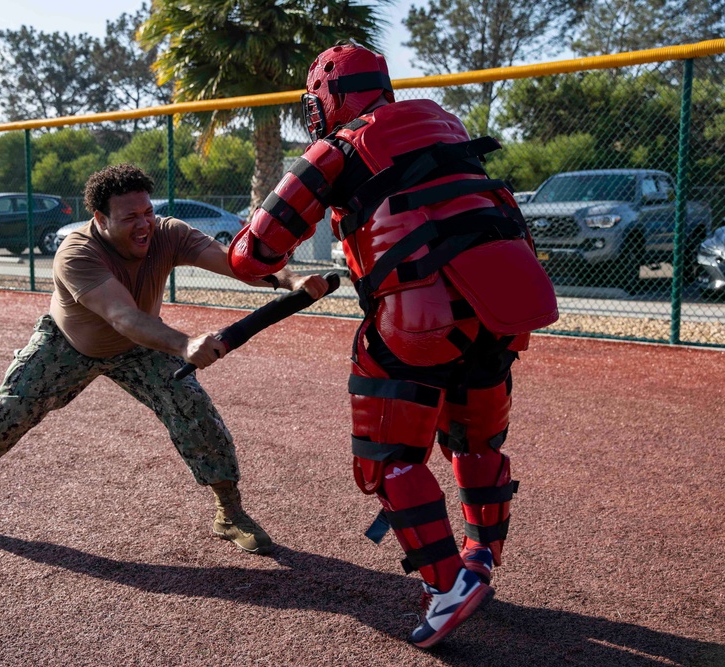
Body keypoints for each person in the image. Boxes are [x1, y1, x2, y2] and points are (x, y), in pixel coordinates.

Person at [228, 43, 558, 647]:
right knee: (475, 442)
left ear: (328, 95)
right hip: (498, 310)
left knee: (388, 458)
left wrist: (242, 236)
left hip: (419, 319)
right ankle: (480, 558)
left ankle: (447, 584)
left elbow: (256, 256)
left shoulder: (337, 147)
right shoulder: (442, 122)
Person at [0, 163, 328, 555]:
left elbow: (237, 264)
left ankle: (229, 512)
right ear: (100, 218)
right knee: (4, 416)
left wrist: (291, 280)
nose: (144, 225)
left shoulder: (168, 233)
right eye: (130, 217)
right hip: (69, 345)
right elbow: (122, 316)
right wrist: (184, 344)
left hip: (140, 347)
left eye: (147, 212)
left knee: (195, 414)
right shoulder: (77, 252)